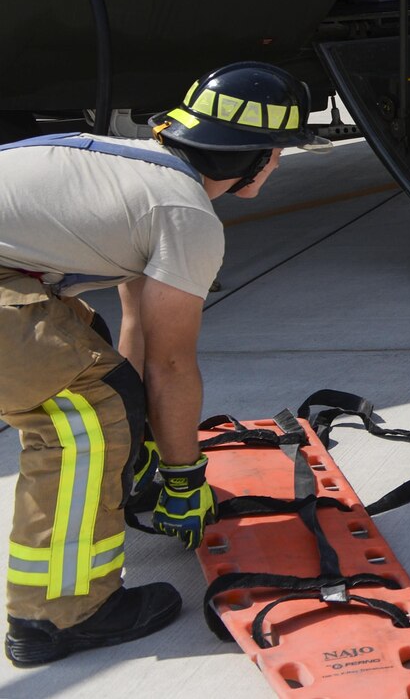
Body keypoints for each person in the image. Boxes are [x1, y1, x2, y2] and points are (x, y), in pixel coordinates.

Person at [1, 64, 321, 667]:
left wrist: (142, 436)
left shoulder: (139, 170)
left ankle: (107, 496)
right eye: (277, 153)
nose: (277, 165)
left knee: (94, 372)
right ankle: (56, 616)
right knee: (82, 422)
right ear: (255, 159)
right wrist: (182, 475)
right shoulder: (187, 215)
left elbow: (137, 329)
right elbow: (173, 364)